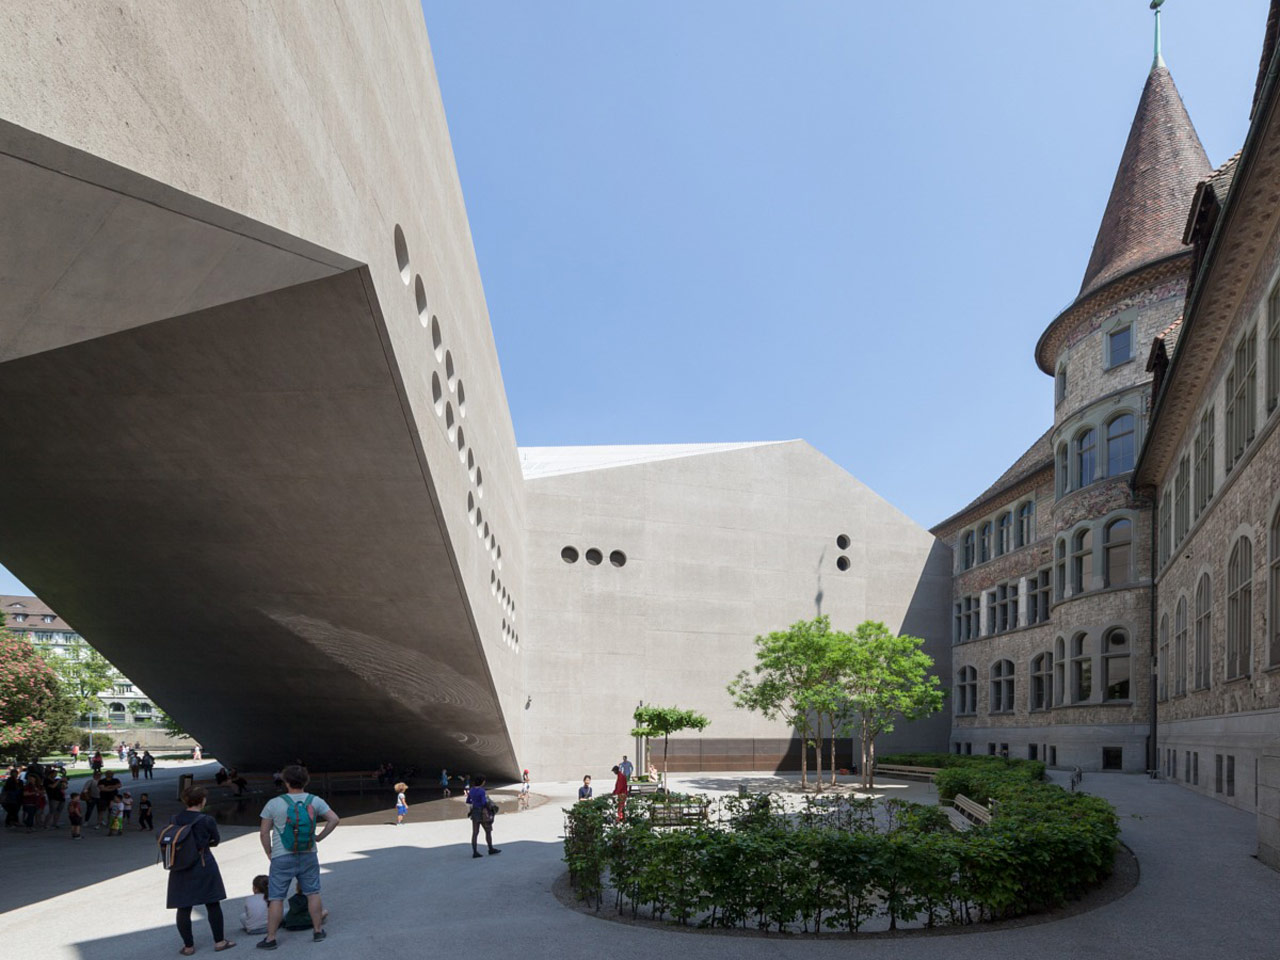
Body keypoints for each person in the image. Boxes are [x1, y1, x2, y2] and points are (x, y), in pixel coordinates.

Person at [257, 764, 340, 949]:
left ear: (286, 782)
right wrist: (318, 837)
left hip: (281, 856)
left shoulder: (274, 803)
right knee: (312, 893)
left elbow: (263, 832)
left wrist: (269, 852)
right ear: (306, 781)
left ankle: (271, 938)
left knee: (277, 897)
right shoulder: (315, 800)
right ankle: (318, 931)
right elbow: (334, 819)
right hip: (308, 853)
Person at [166, 785, 233, 955]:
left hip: (180, 866)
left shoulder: (175, 818)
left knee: (183, 907)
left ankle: (188, 946)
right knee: (212, 903)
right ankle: (219, 942)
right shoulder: (206, 820)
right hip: (203, 864)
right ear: (202, 801)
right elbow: (215, 840)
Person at [465, 775, 500, 858]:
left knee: (475, 833)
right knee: (488, 831)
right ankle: (490, 849)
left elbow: (468, 800)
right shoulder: (482, 791)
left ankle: (475, 852)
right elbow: (484, 802)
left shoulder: (472, 790)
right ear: (482, 782)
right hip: (483, 813)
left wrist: (474, 802)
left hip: (474, 812)